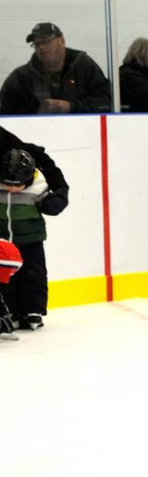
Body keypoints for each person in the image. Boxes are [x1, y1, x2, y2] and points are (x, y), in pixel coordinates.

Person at [0, 131, 68, 331]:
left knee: (33, 274)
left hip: (30, 239)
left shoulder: (34, 183)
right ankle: (8, 311)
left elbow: (46, 168)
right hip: (4, 238)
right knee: (5, 277)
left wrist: (59, 194)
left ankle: (33, 310)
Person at [0, 22, 112, 114]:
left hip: (82, 133)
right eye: (36, 44)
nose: (41, 48)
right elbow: (4, 113)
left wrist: (71, 107)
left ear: (62, 41)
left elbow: (106, 102)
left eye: (46, 42)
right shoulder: (21, 77)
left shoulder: (84, 67)